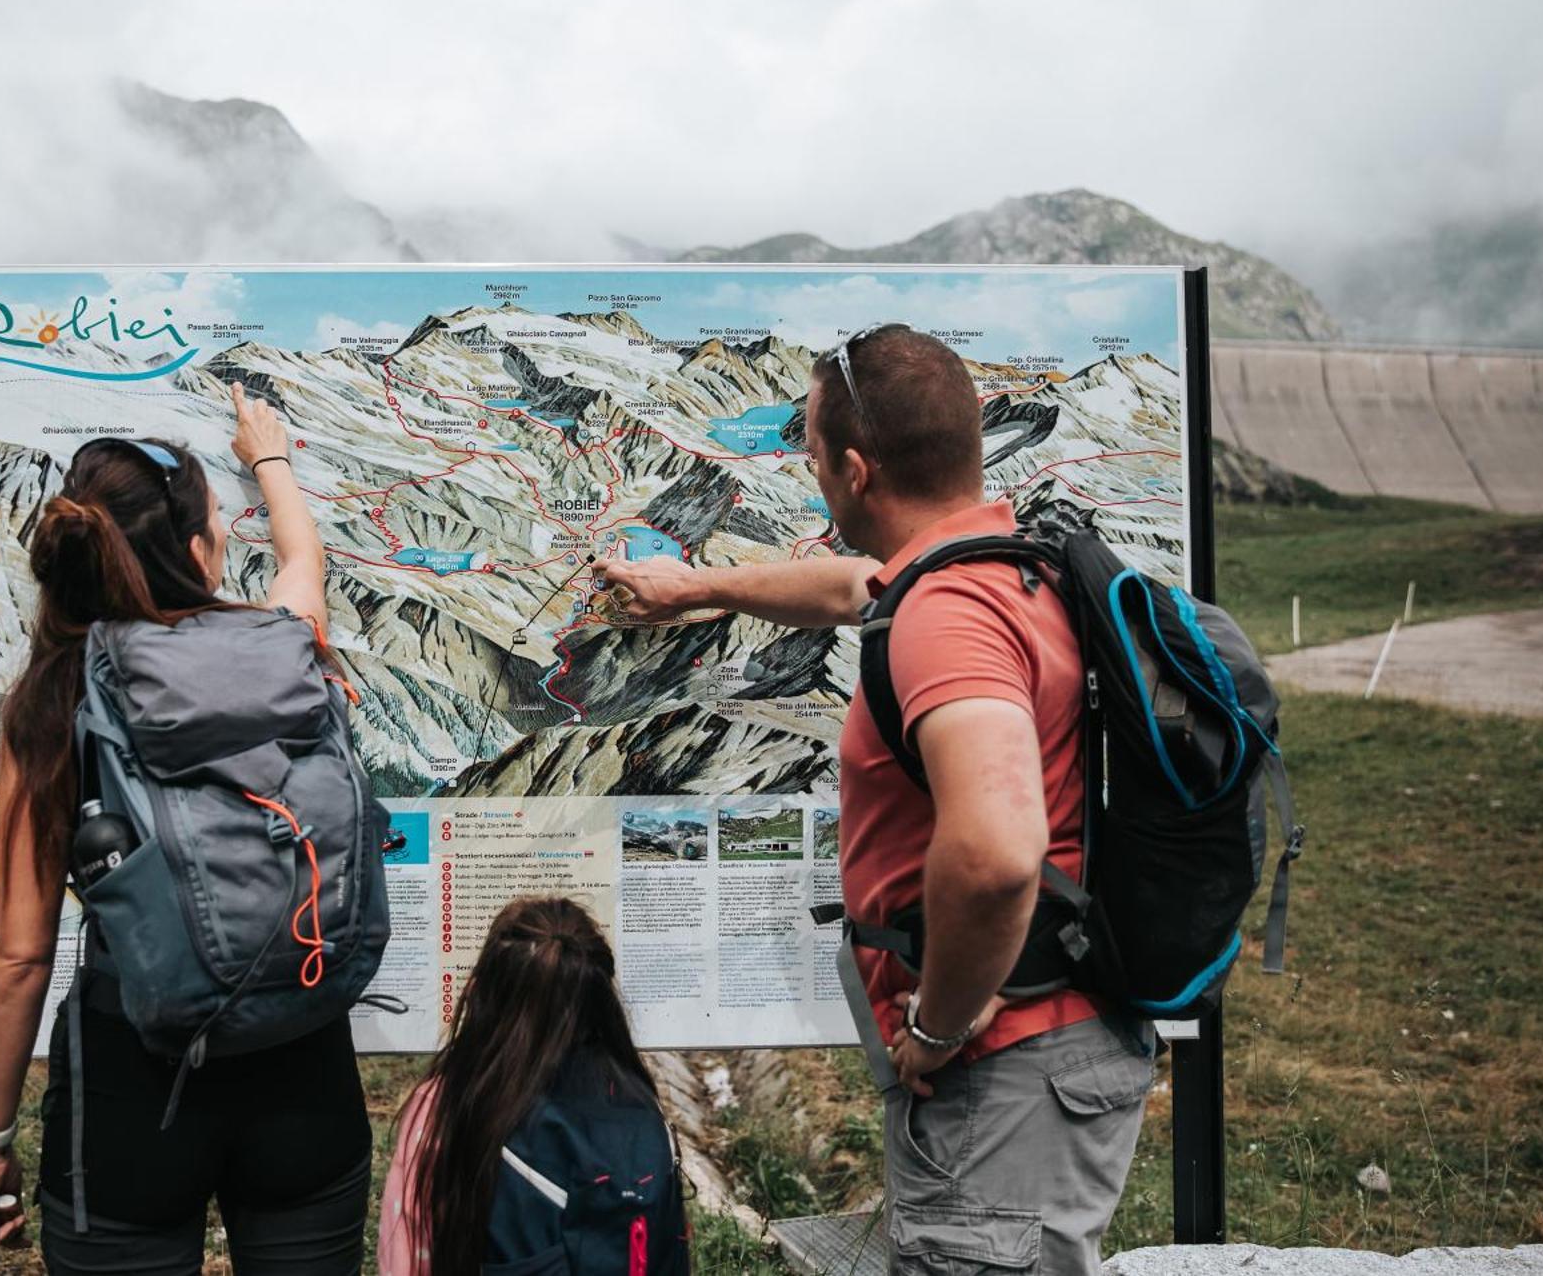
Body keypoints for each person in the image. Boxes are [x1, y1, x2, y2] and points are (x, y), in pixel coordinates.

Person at [594, 325, 1156, 1275]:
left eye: (812, 455)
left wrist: (938, 1027)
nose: (812, 473)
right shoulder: (1006, 564)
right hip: (1053, 1048)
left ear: (856, 472)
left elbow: (996, 852)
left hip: (1001, 1068)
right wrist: (699, 587)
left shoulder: (949, 617)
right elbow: (855, 586)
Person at [0, 386, 374, 1274]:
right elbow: (305, 561)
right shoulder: (288, 644)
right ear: (196, 550)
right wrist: (270, 458)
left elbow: (21, 954)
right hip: (304, 1068)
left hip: (131, 1084)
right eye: (217, 522)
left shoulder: (50, 703)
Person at [379, 897, 689, 1276]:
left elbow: (407, 1259)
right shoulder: (636, 1103)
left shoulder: (446, 1104)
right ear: (602, 1003)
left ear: (481, 993)